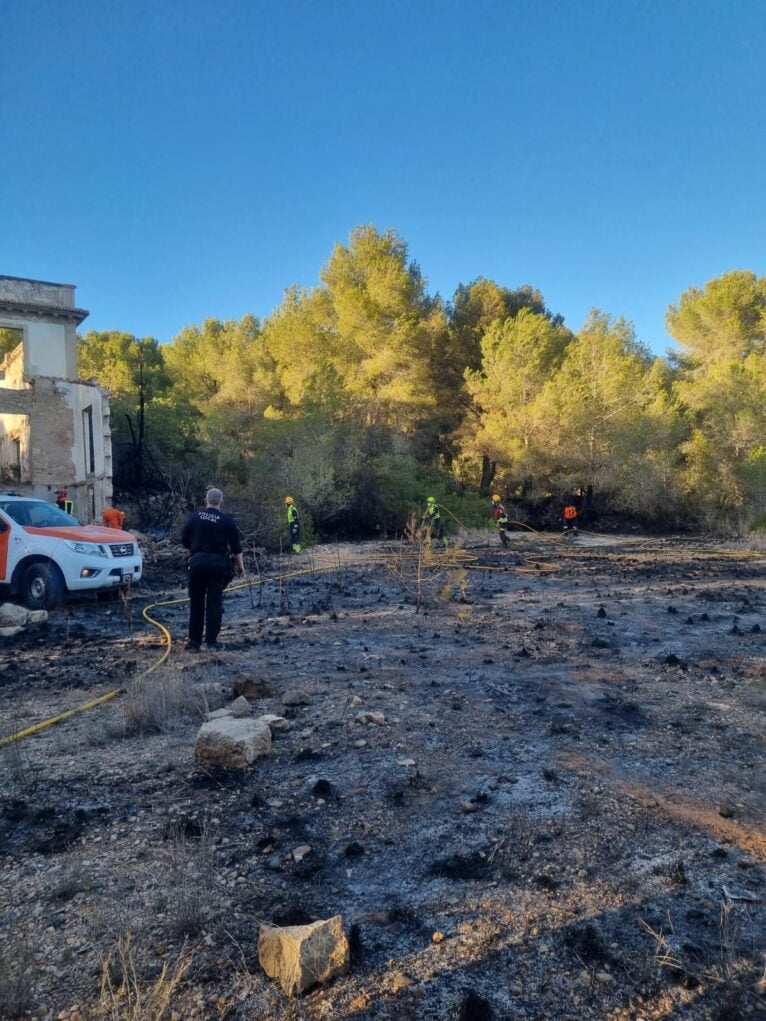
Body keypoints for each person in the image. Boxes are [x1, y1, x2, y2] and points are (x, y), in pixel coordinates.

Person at [181, 487, 244, 651]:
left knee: (196, 603)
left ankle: (194, 643)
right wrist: (240, 567)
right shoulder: (227, 520)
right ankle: (211, 642)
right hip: (217, 565)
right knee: (214, 602)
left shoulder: (194, 517)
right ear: (221, 503)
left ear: (205, 500)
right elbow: (236, 548)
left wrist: (193, 551)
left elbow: (184, 541)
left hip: (197, 563)